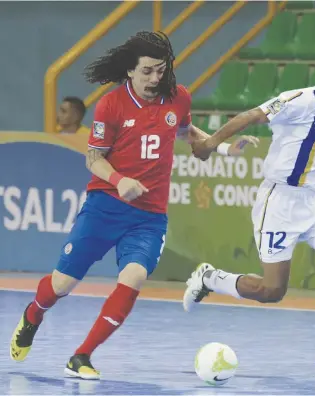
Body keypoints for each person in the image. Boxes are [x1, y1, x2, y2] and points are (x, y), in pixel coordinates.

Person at [10, 31, 258, 380]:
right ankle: (33, 314)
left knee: (135, 276)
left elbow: (188, 134)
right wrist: (119, 180)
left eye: (161, 70)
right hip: (105, 206)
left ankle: (81, 355)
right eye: (147, 72)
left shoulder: (177, 97)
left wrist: (223, 149)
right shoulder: (111, 105)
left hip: (149, 216)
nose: (156, 78)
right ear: (130, 70)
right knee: (61, 285)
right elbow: (94, 159)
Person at [184, 49, 315, 374]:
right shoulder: (298, 100)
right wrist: (211, 144)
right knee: (272, 291)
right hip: (280, 203)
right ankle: (210, 277)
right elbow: (251, 116)